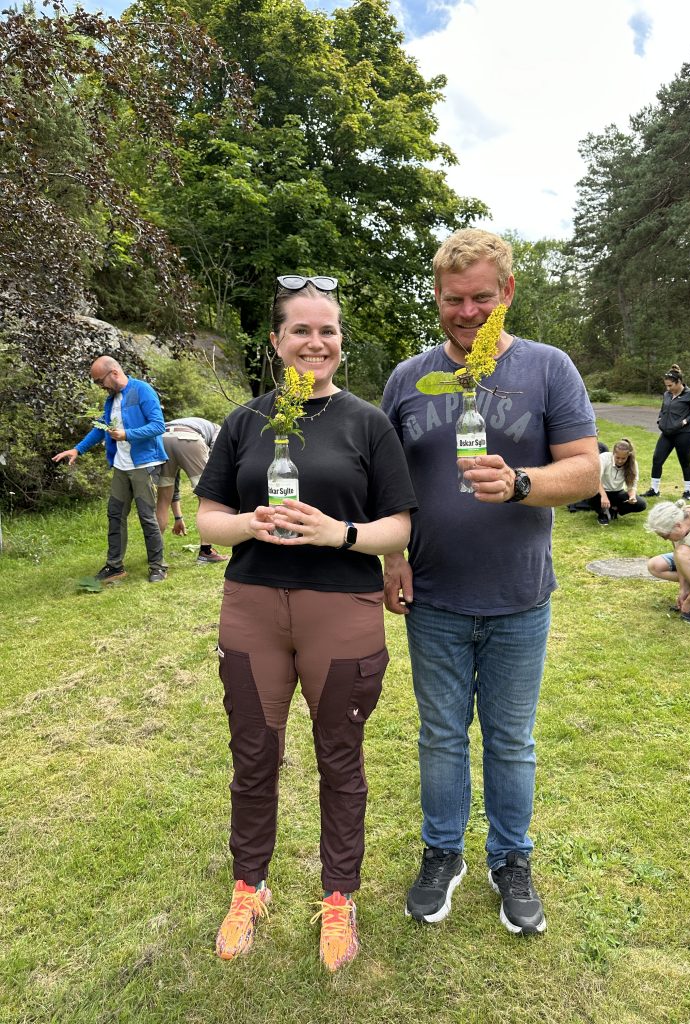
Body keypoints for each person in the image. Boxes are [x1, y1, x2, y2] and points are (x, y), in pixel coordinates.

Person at [380, 229, 599, 935]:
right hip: (434, 598)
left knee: (511, 740)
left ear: (506, 293)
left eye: (481, 297)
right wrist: (390, 558)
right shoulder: (408, 379)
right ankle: (443, 852)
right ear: (437, 299)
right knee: (440, 736)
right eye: (453, 299)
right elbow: (385, 483)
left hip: (518, 598)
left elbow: (587, 470)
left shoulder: (547, 369)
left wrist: (522, 482)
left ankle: (511, 859)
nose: (467, 312)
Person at [195, 275, 416, 971]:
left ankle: (339, 899)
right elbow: (208, 519)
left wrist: (339, 534)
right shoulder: (244, 421)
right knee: (254, 756)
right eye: (300, 330)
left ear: (340, 344)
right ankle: (248, 887)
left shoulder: (367, 423)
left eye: (327, 331)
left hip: (341, 610)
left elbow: (398, 526)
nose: (314, 342)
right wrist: (248, 523)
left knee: (339, 762)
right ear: (276, 341)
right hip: (254, 606)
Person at [52, 356, 168, 583]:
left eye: (99, 381)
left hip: (143, 465)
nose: (99, 386)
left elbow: (158, 426)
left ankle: (157, 566)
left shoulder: (142, 390)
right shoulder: (111, 400)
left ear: (114, 373)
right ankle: (115, 566)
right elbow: (101, 428)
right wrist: (78, 450)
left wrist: (127, 435)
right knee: (115, 515)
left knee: (147, 517)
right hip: (120, 466)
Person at [155, 417, 228, 564]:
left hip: (162, 438)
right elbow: (215, 456)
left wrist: (178, 518)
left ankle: (155, 554)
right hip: (189, 439)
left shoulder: (193, 422)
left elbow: (174, 483)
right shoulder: (218, 430)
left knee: (163, 499)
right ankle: (206, 552)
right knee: (207, 497)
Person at [643, 365, 690, 499]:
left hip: (684, 434)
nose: (668, 389)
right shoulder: (667, 394)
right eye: (666, 386)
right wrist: (659, 419)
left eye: (670, 386)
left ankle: (688, 492)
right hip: (667, 434)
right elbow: (663, 408)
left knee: (685, 462)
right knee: (657, 459)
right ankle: (654, 489)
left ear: (679, 382)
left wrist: (684, 422)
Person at [588, 437, 646, 525]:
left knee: (641, 504)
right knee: (590, 493)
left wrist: (632, 497)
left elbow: (632, 485)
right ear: (613, 453)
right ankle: (602, 513)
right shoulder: (604, 458)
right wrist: (603, 496)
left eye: (623, 458)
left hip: (617, 492)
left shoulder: (632, 463)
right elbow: (596, 478)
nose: (620, 461)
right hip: (599, 491)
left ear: (628, 456)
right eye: (617, 457)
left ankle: (614, 510)